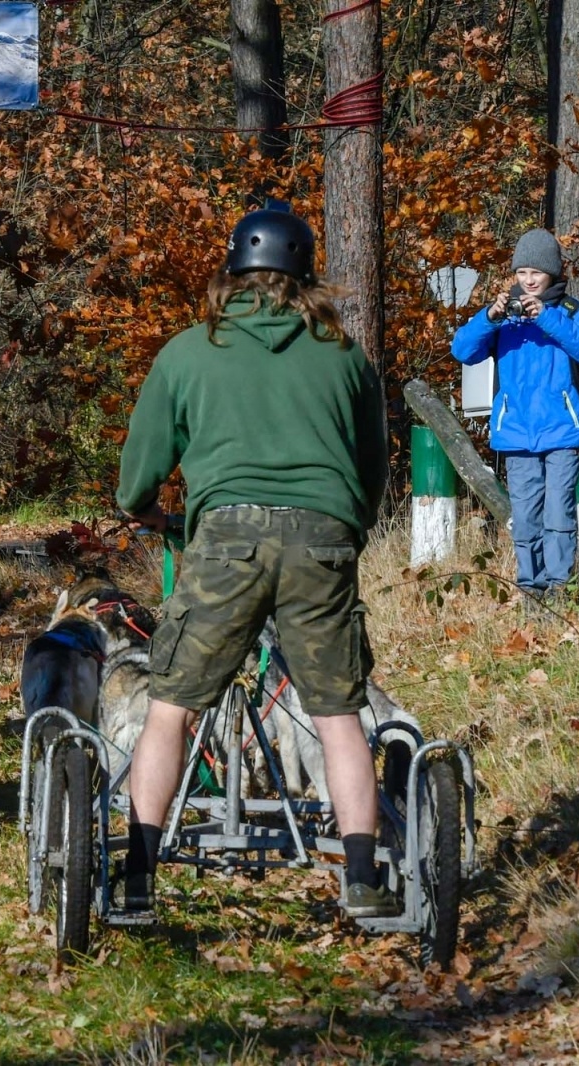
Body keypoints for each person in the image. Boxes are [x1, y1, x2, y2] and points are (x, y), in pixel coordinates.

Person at [115, 208, 395, 918]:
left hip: (227, 540)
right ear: (305, 276)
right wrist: (345, 530)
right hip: (321, 539)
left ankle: (141, 874)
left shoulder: (188, 351)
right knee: (338, 715)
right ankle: (361, 876)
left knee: (170, 708)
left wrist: (147, 509)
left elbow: (136, 479)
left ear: (231, 271)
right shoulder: (343, 355)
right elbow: (373, 469)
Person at [450, 228, 579, 599]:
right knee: (526, 517)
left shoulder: (569, 310)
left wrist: (545, 317)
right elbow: (462, 349)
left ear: (552, 273)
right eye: (522, 273)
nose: (529, 280)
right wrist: (489, 316)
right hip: (516, 432)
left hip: (562, 432)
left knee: (558, 514)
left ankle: (558, 586)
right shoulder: (503, 316)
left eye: (536, 272)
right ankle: (529, 588)